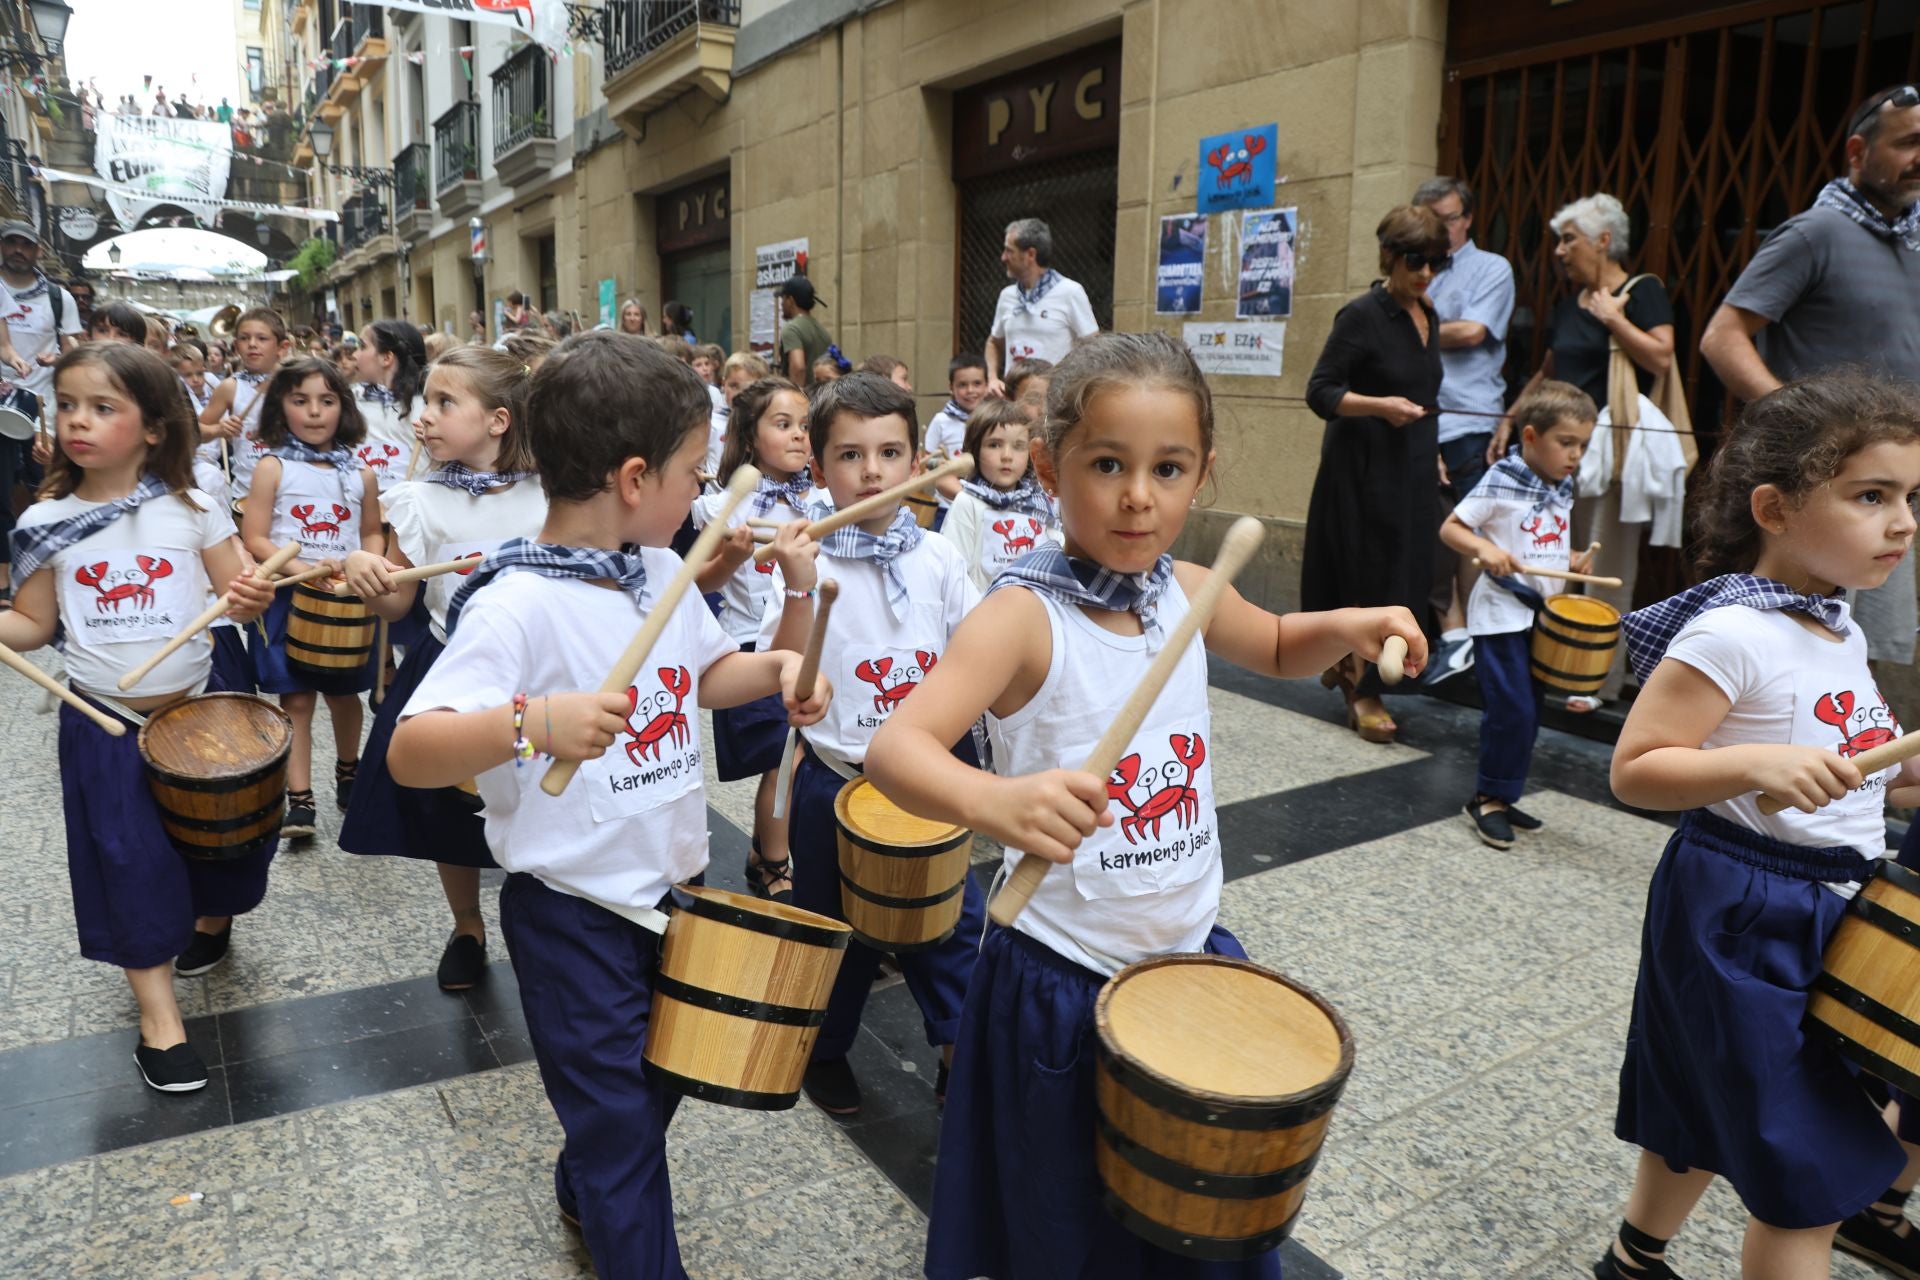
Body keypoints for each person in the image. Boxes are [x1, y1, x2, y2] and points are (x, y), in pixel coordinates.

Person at [865, 331, 1425, 1279]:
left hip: (1188, 960)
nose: (1138, 496)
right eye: (1108, 464)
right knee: (1070, 1230)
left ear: (1203, 473)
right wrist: (997, 801)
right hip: (1063, 978)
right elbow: (895, 748)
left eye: (1168, 468)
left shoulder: (1189, 592)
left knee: (1198, 1217)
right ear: (1048, 465)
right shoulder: (1021, 618)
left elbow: (1282, 641)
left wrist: (1353, 624)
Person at [385, 331, 825, 1279]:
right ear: (634, 477)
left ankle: (585, 1184)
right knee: (625, 1128)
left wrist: (780, 662)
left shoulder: (662, 574)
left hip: (674, 894)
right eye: (691, 474)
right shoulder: (513, 604)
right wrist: (532, 721)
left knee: (652, 1086)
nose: (701, 496)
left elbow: (707, 674)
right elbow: (412, 752)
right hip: (572, 914)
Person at [1596, 371, 1920, 1280]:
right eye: (1871, 496)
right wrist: (1752, 765)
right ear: (1773, 508)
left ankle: (1633, 1258)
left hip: (1827, 905)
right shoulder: (1734, 634)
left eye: (1910, 498)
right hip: (1741, 909)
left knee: (1700, 1105)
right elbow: (1637, 768)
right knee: (1807, 1182)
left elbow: (1864, 771)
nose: (1903, 522)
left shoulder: (1838, 630)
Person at [0, 343, 275, 1091]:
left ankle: (212, 921)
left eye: (102, 407)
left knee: (228, 845)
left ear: (154, 427)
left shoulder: (192, 506)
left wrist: (252, 596)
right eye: (67, 406)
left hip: (200, 709)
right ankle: (160, 1022)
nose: (78, 421)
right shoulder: (45, 522)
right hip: (103, 714)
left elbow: (238, 593)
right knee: (127, 859)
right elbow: (32, 624)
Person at [758, 372, 988, 1117]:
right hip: (836, 779)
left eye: (890, 452)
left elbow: (977, 655)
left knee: (951, 923)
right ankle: (825, 1051)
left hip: (927, 779)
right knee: (838, 929)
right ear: (819, 469)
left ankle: (960, 1054)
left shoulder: (938, 558)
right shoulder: (805, 556)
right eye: (850, 456)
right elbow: (784, 674)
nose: (873, 472)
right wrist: (797, 586)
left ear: (919, 459)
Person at [338, 347, 543, 989]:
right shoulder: (418, 500)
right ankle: (467, 925)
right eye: (424, 401)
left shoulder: (553, 490)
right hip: (451, 668)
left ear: (499, 421)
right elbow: (399, 597)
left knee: (542, 796)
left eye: (444, 403)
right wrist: (367, 574)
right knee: (450, 808)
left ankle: (545, 916)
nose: (423, 417)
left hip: (538, 672)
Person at [1701, 86, 1920, 673]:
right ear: (1857, 152)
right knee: (1799, 649)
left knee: (1872, 653)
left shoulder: (1915, 241)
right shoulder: (1815, 233)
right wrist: (1806, 429)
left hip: (1899, 483)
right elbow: (1722, 338)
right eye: (1909, 143)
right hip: (1831, 489)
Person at [1508, 193, 1676, 710]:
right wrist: (1513, 417)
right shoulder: (1567, 305)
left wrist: (1614, 319)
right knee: (1557, 555)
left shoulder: (1640, 292)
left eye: (1568, 239)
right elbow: (1551, 368)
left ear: (1604, 241)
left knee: (1605, 560)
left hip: (1610, 451)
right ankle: (1555, 662)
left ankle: (1599, 682)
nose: (1560, 251)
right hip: (1556, 454)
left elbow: (1663, 357)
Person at [1301, 204, 1446, 744]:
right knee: (1368, 578)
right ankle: (1362, 688)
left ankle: (1346, 662)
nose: (1426, 273)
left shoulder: (1431, 317)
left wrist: (1430, 452)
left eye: (1436, 262)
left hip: (1411, 470)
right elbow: (1321, 391)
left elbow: (1427, 395)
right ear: (1389, 257)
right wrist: (1381, 406)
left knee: (1407, 574)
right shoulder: (1361, 315)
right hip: (1361, 474)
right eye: (1415, 261)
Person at [1439, 381, 1598, 848]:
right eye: (1565, 443)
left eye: (1582, 445)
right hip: (1502, 613)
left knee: (1528, 714)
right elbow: (1453, 529)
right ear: (1530, 437)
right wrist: (1485, 548)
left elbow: (1538, 539)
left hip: (1542, 615)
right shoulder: (1501, 479)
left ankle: (1503, 796)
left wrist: (1568, 558)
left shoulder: (1561, 485)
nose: (1575, 455)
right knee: (1510, 711)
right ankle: (1487, 799)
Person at [239, 358, 383, 841]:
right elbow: (256, 536)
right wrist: (300, 571)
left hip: (345, 600)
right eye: (300, 401)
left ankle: (349, 770)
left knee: (345, 694)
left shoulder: (362, 474)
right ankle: (299, 800)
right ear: (281, 406)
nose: (315, 412)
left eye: (327, 401)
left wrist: (366, 564)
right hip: (288, 597)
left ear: (344, 406)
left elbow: (371, 533)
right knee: (295, 698)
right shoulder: (272, 467)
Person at [691, 375, 815, 904]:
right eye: (783, 425)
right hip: (751, 646)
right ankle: (774, 860)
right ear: (748, 433)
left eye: (806, 427)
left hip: (814, 641)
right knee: (781, 758)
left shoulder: (827, 499)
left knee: (808, 756)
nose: (798, 437)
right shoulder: (722, 505)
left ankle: (768, 846)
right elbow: (696, 584)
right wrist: (731, 558)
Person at [1416, 175, 1516, 687]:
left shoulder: (1490, 268)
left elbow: (1473, 331)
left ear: (1469, 218)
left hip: (1470, 420)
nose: (1445, 229)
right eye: (1434, 221)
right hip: (1418, 421)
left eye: (1451, 219)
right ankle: (1453, 637)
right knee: (1430, 536)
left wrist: (1415, 323)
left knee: (1470, 533)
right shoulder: (1419, 269)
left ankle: (1473, 643)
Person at [0, 221, 82, 601]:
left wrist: (58, 358)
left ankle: (51, 570)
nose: (18, 249)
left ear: (38, 252)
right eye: (11, 243)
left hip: (43, 408)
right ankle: (4, 582)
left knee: (47, 487)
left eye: (25, 244)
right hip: (2, 404)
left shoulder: (56, 296)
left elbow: (72, 347)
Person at [938, 397, 1060, 593]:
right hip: (984, 614)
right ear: (974, 451)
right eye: (994, 445)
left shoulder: (1041, 503)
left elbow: (1058, 558)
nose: (1007, 456)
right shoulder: (968, 502)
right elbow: (953, 572)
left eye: (1018, 446)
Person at [984, 218, 1098, 395]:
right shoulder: (1007, 296)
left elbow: (1092, 347)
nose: (1003, 257)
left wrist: (1071, 389)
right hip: (1012, 402)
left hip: (1052, 402)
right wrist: (992, 379)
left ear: (1030, 254)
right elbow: (993, 342)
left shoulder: (1070, 292)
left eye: (1009, 251)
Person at [198, 307, 292, 504]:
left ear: (282, 347)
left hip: (292, 488)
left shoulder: (297, 384)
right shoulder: (230, 387)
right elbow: (195, 431)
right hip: (248, 492)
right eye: (244, 338)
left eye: (262, 338)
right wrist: (219, 429)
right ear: (236, 346)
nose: (252, 344)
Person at [353, 320, 427, 491]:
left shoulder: (426, 406)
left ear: (386, 357)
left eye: (362, 347)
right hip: (367, 507)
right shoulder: (351, 401)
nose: (355, 355)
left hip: (413, 506)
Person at [923, 354, 990, 527]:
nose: (970, 391)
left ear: (987, 385)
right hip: (947, 507)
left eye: (977, 383)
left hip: (984, 506)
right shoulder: (941, 420)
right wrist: (944, 467)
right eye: (962, 385)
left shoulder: (992, 420)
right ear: (951, 387)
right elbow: (927, 459)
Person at [775, 277, 831, 385]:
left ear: (790, 300)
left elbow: (798, 367)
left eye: (783, 299)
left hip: (805, 397)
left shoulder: (792, 329)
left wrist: (796, 397)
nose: (781, 304)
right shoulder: (823, 331)